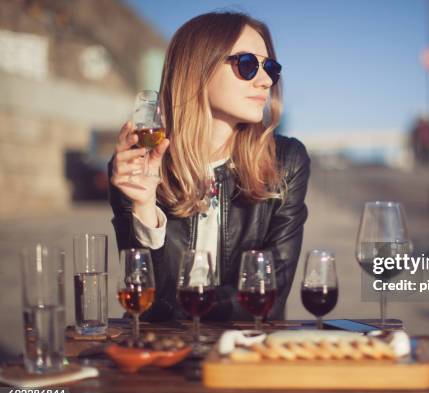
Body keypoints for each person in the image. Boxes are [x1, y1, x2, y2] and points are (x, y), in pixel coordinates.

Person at [108, 12, 310, 322]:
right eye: (247, 65)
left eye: (269, 67)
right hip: (162, 354)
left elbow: (270, 290)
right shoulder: (139, 164)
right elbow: (142, 299)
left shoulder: (286, 161)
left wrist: (185, 307)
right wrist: (144, 205)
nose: (265, 80)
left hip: (247, 350)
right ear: (198, 69)